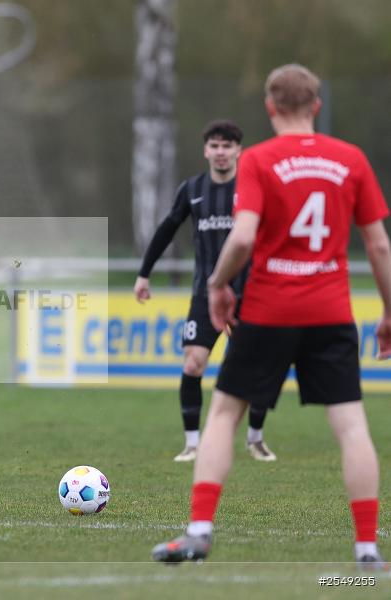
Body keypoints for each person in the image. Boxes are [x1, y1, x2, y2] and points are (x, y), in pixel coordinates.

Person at [152, 64, 390, 567]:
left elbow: (241, 238)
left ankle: (198, 532)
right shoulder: (351, 159)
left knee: (224, 413)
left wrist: (217, 286)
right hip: (330, 312)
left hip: (268, 309)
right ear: (316, 107)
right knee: (351, 426)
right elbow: (379, 247)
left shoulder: (259, 160)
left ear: (270, 107)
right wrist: (389, 312)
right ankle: (367, 550)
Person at [135, 120, 276, 463]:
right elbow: (167, 229)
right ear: (206, 151)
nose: (221, 152)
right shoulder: (193, 188)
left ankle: (255, 438)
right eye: (215, 145)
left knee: (256, 367)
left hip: (250, 292)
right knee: (194, 363)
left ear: (238, 150)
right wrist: (144, 273)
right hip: (205, 294)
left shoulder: (253, 186)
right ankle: (193, 443)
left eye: (227, 145)